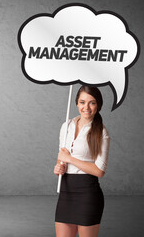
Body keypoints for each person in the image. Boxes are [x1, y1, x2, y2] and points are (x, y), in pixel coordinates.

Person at [53, 86, 110, 237]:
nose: (86, 107)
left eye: (92, 103)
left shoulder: (101, 132)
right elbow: (62, 156)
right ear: (77, 104)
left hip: (88, 194)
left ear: (98, 105)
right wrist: (59, 167)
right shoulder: (66, 126)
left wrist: (70, 159)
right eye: (82, 102)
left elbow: (99, 171)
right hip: (66, 192)